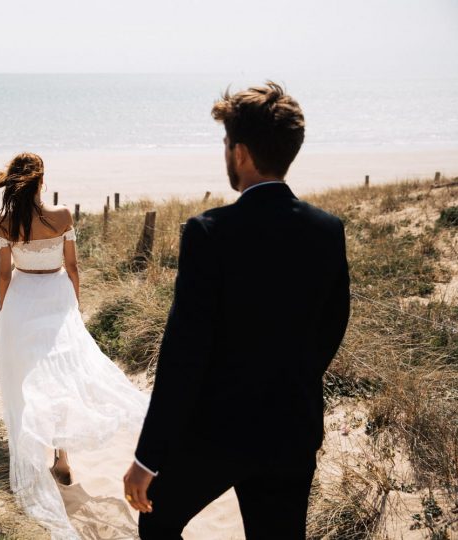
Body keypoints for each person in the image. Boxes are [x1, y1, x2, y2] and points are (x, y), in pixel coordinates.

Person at [123, 82, 350, 539]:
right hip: (292, 428)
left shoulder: (210, 232)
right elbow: (333, 324)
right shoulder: (327, 230)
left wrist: (147, 459)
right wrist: (291, 380)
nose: (225, 154)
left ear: (241, 153)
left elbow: (184, 353)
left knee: (157, 523)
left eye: (227, 144)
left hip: (216, 433)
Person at [0, 153, 149, 539]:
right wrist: (74, 302)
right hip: (56, 296)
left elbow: (4, 274)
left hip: (22, 298)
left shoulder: (6, 221)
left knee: (27, 379)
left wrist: (5, 310)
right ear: (41, 181)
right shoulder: (62, 216)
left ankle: (36, 453)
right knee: (60, 378)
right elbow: (73, 267)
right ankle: (63, 458)